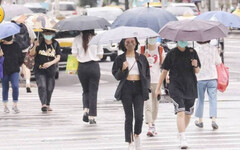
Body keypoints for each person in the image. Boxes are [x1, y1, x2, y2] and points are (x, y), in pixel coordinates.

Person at [155, 41, 201, 149]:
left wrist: (195, 65)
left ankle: (181, 132)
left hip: (190, 86)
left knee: (188, 114)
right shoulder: (172, 53)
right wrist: (158, 88)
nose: (183, 41)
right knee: (180, 111)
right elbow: (164, 72)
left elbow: (197, 71)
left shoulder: (192, 52)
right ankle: (183, 137)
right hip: (176, 87)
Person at [112, 37, 150, 150]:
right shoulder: (120, 59)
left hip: (139, 87)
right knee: (129, 116)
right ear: (123, 44)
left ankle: (137, 135)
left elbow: (147, 74)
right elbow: (116, 76)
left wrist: (147, 87)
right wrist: (122, 69)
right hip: (126, 88)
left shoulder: (141, 58)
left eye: (132, 41)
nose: (130, 44)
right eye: (127, 42)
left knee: (139, 116)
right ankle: (130, 141)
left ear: (136, 43)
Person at [72, 30, 103, 124]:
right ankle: (92, 117)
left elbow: (74, 55)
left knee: (85, 90)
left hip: (82, 67)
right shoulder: (97, 39)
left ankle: (86, 110)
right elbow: (101, 55)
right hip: (94, 66)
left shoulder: (77, 39)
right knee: (93, 92)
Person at [29, 29, 61, 112]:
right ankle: (43, 104)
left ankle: (48, 104)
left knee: (50, 88)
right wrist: (35, 46)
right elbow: (32, 54)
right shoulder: (39, 42)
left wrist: (50, 63)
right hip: (39, 69)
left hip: (51, 69)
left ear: (53, 34)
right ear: (43, 34)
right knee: (42, 86)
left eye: (50, 33)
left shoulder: (55, 44)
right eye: (46, 33)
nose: (48, 35)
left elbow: (58, 57)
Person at [140, 37, 164, 137]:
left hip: (157, 81)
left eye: (154, 37)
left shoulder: (160, 50)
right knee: (148, 105)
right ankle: (150, 126)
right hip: (146, 81)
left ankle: (153, 124)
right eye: (150, 38)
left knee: (155, 105)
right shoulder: (141, 49)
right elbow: (138, 65)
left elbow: (163, 65)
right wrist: (143, 58)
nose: (152, 39)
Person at [194, 41, 222, 129]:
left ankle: (200, 120)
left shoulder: (196, 50)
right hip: (212, 77)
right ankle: (213, 120)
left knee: (200, 99)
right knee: (213, 99)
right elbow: (218, 62)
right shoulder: (213, 49)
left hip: (200, 78)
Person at [12, 16, 36, 93]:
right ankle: (28, 83)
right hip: (26, 49)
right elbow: (33, 37)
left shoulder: (11, 26)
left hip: (15, 50)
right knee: (26, 67)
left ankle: (14, 83)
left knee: (15, 67)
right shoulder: (27, 25)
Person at [0, 36, 24, 113]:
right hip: (4, 70)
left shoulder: (16, 45)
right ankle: (5, 106)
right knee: (5, 87)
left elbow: (21, 57)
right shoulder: (1, 45)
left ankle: (15, 104)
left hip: (14, 69)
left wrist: (20, 66)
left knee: (15, 86)